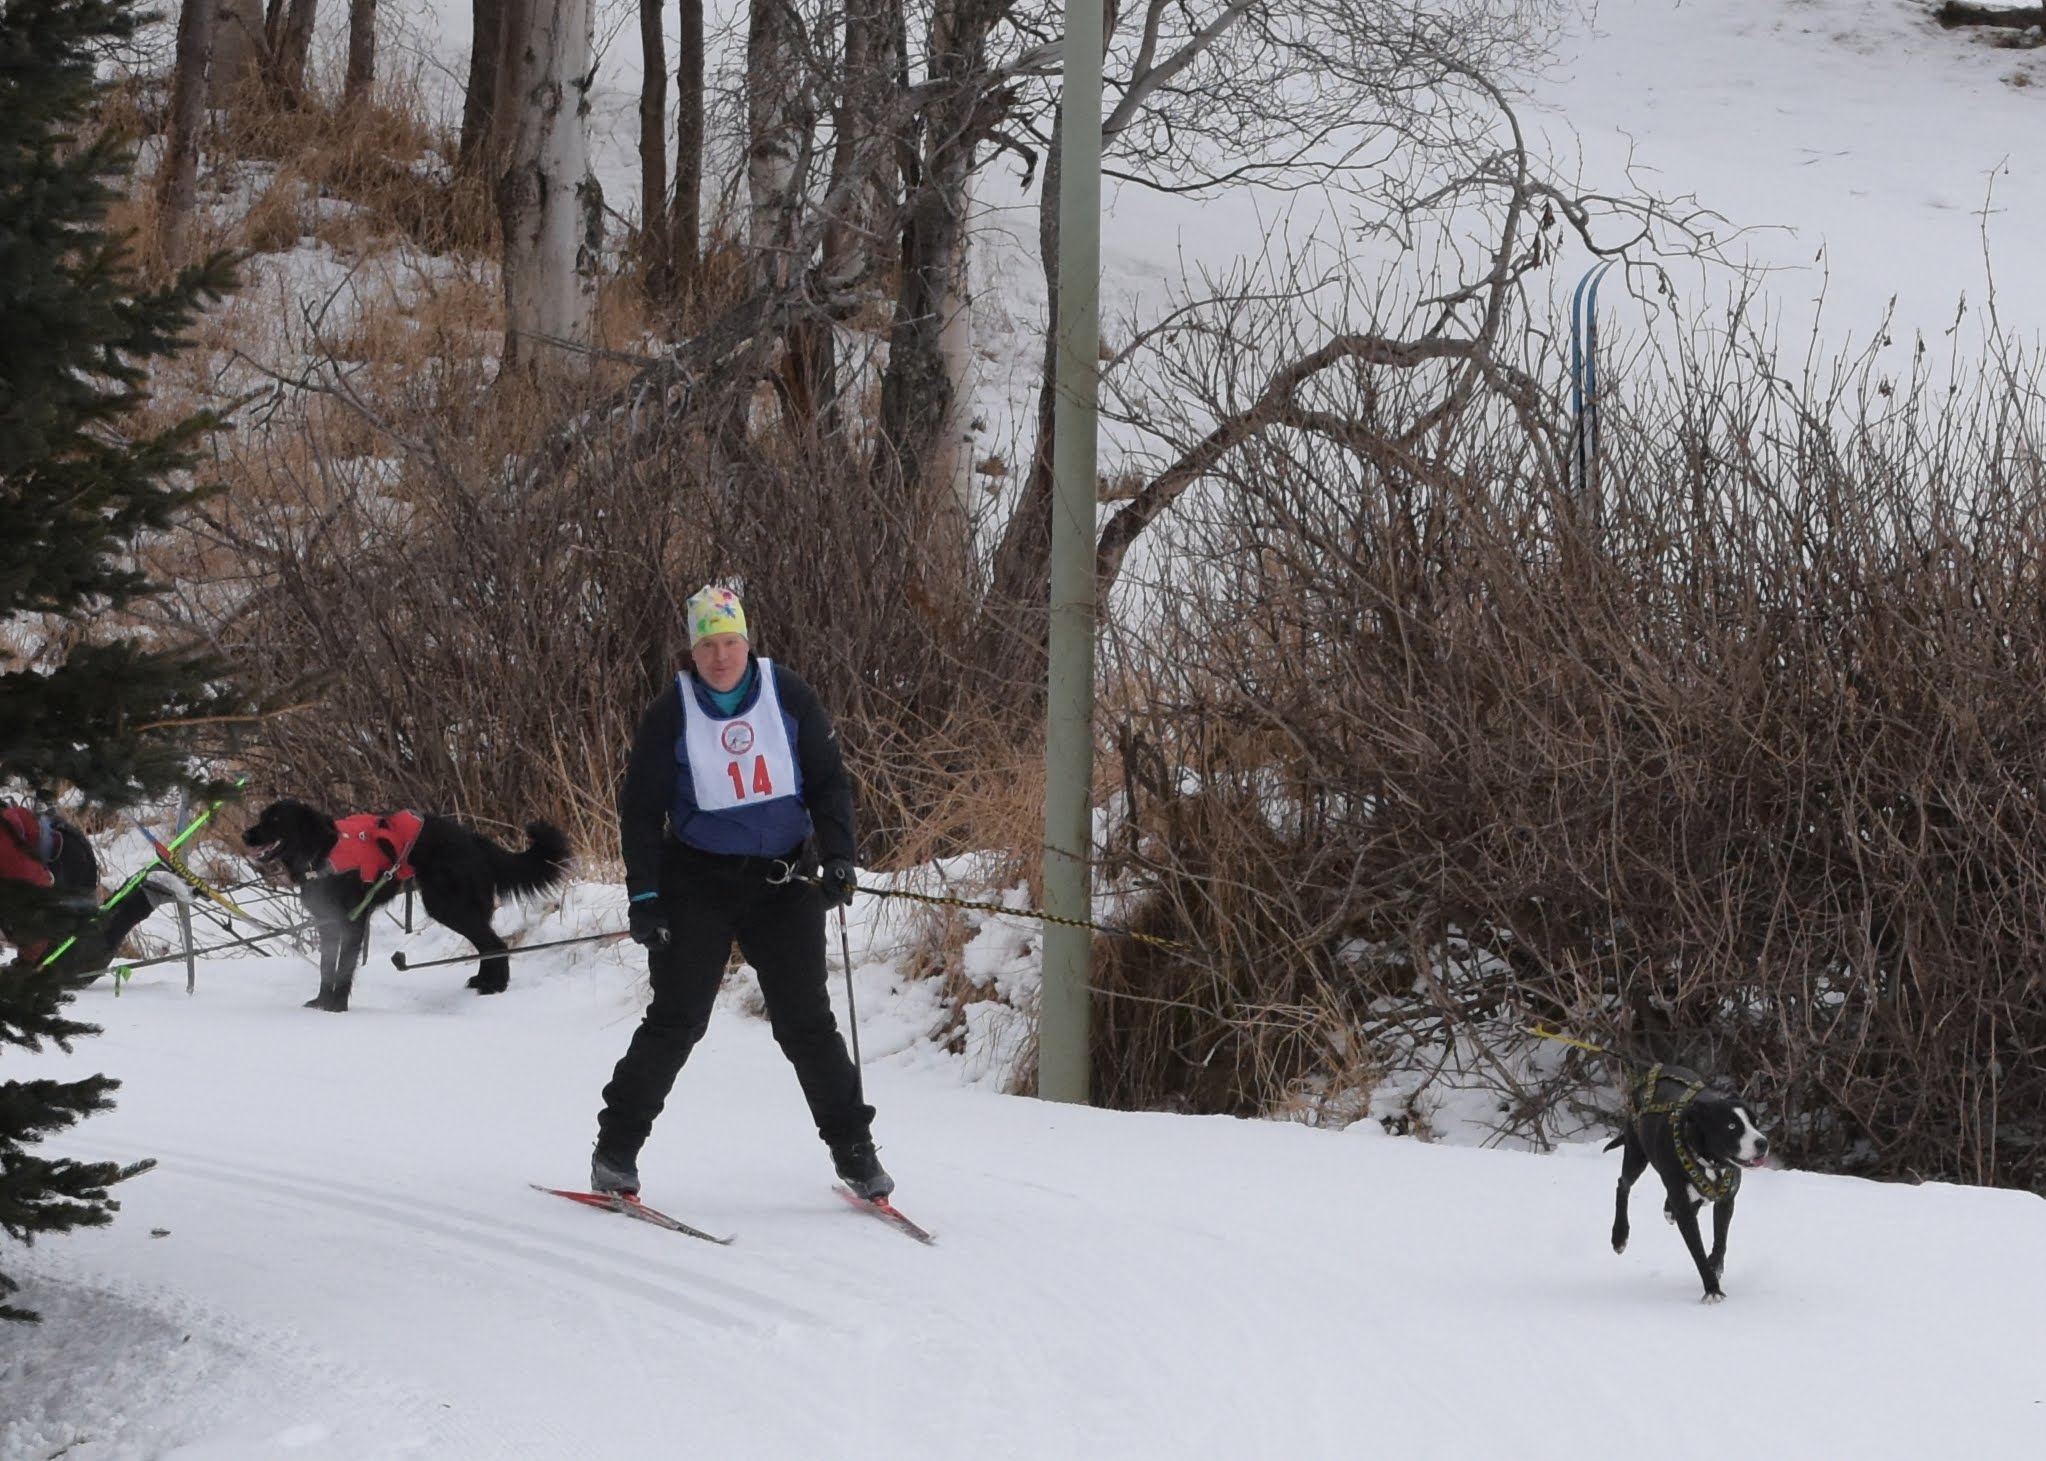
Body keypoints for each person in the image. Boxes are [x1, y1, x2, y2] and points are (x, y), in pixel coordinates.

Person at [590, 585, 893, 1200]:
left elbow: (830, 782)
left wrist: (838, 857)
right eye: (707, 646)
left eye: (729, 643)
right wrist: (644, 896)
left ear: (747, 643)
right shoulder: (670, 711)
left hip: (784, 880)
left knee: (806, 1022)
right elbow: (641, 811)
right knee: (677, 1019)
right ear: (692, 652)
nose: (720, 656)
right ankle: (615, 1150)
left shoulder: (788, 693)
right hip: (696, 880)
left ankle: (855, 1154)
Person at [0, 803, 186, 973]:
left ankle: (150, 892)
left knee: (65, 968)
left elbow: (37, 892)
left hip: (68, 860)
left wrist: (27, 964)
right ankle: (145, 886)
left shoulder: (7, 855)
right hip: (42, 856)